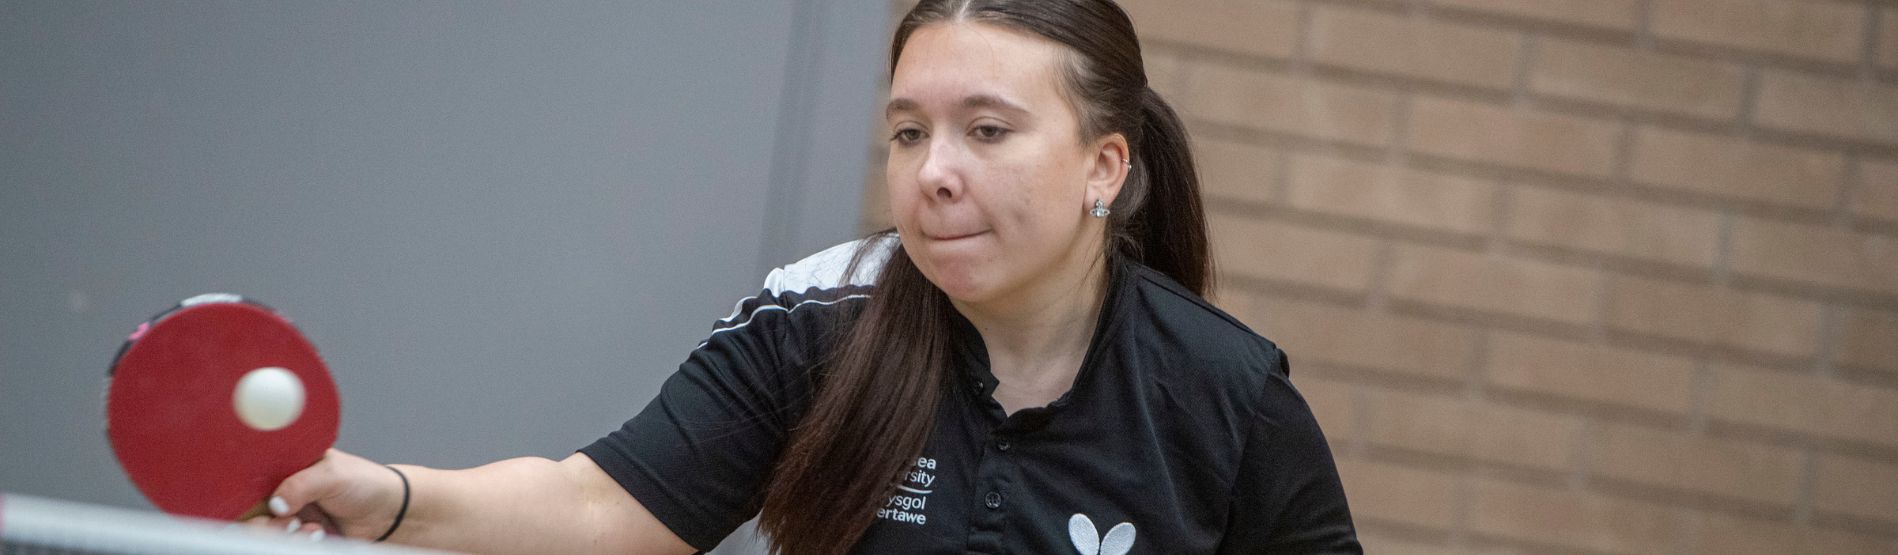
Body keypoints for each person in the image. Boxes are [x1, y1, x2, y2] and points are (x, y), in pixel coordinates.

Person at [253, 1, 1359, 553]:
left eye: (986, 130)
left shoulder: (1228, 397)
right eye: (908, 132)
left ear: (1101, 168)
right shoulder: (817, 324)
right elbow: (603, 507)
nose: (933, 175)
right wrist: (395, 499)